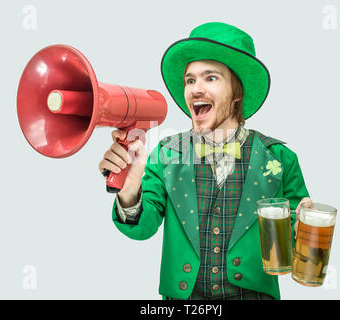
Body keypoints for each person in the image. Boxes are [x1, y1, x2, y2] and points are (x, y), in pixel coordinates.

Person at [98, 22, 313, 300]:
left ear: (237, 93)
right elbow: (143, 228)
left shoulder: (281, 159)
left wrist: (302, 232)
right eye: (190, 80)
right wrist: (129, 193)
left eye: (210, 78)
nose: (195, 89)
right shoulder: (166, 154)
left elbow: (298, 255)